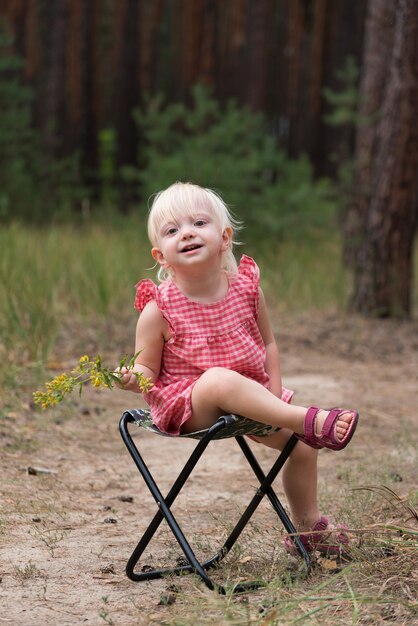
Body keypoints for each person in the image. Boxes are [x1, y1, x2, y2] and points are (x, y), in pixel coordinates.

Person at [118, 181, 359, 555]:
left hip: (253, 397)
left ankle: (308, 531)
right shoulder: (158, 309)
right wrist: (133, 378)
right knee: (217, 379)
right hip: (191, 406)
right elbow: (147, 369)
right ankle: (307, 418)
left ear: (225, 237)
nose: (186, 233)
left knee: (302, 447)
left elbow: (269, 345)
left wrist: (274, 396)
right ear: (161, 255)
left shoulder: (246, 288)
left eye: (199, 222)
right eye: (172, 230)